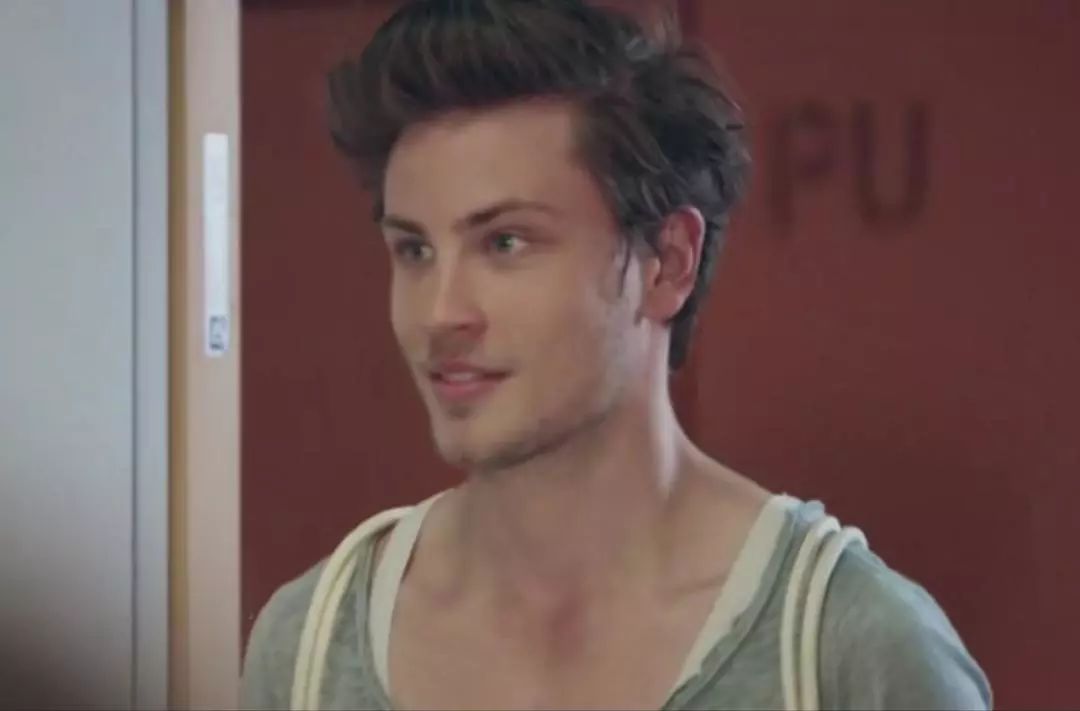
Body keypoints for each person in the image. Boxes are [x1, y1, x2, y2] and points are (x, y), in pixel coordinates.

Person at [242, 1, 991, 709]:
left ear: (667, 262)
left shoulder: (850, 651)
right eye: (414, 250)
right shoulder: (309, 647)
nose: (440, 315)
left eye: (505, 242)